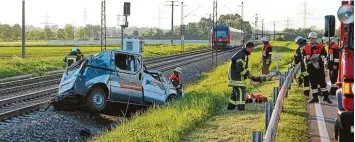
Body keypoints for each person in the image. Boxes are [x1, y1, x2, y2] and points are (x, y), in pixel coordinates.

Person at [227, 42, 262, 111]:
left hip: (235, 76)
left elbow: (243, 67)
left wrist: (248, 75)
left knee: (235, 92)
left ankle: (231, 107)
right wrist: (248, 74)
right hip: (235, 77)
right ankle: (240, 108)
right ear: (248, 48)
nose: (252, 51)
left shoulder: (244, 54)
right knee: (241, 90)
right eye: (252, 49)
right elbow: (239, 68)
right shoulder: (241, 55)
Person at [303, 32, 332, 104]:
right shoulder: (305, 47)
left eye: (313, 38)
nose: (312, 40)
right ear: (309, 39)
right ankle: (315, 98)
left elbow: (324, 55)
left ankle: (326, 97)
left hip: (319, 67)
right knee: (313, 83)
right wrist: (311, 58)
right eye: (311, 38)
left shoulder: (320, 46)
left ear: (316, 39)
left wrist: (317, 58)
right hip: (310, 67)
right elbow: (304, 57)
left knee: (322, 82)